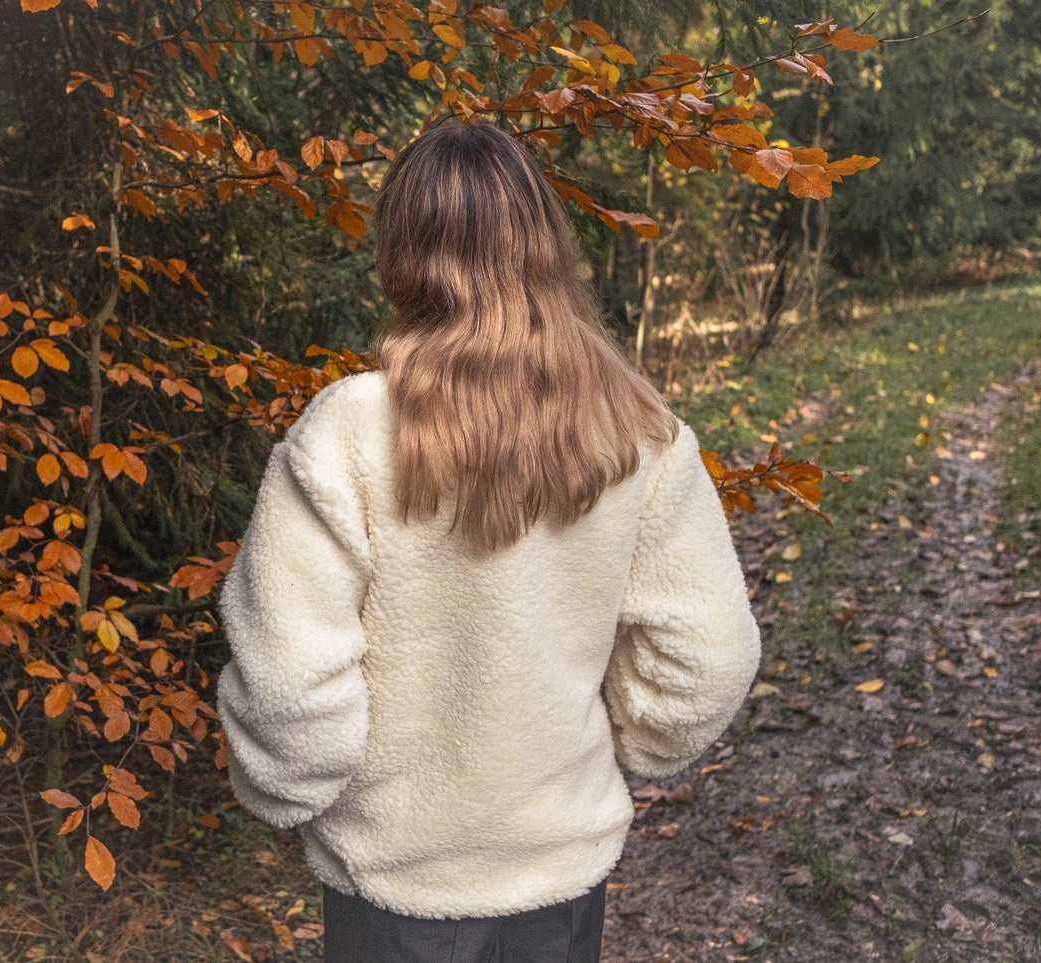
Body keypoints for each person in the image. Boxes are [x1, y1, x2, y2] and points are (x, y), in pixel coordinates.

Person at [213, 120, 763, 962]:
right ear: (544, 243)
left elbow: (288, 683)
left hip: (390, 886)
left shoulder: (348, 432)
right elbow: (711, 655)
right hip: (558, 875)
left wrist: (294, 791)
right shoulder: (637, 433)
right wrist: (613, 745)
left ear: (402, 249)